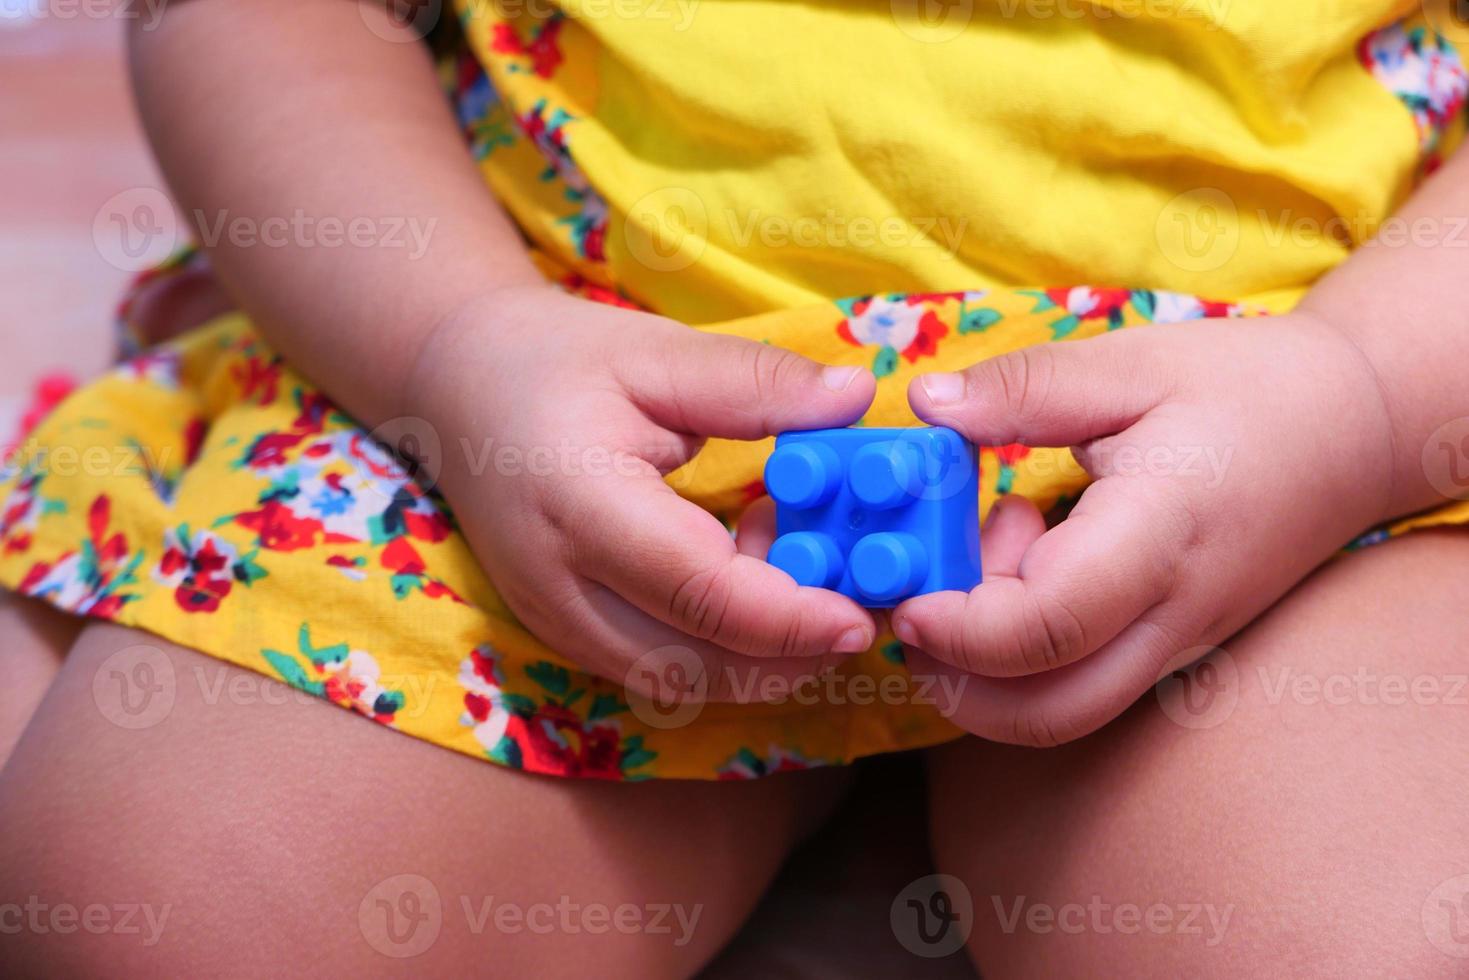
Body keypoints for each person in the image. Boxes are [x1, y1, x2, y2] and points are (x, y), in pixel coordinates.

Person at [3, 0, 1469, 973]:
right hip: (548, 354)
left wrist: (1363, 397)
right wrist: (450, 342)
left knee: (1371, 933)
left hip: (1303, 404)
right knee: (165, 904)